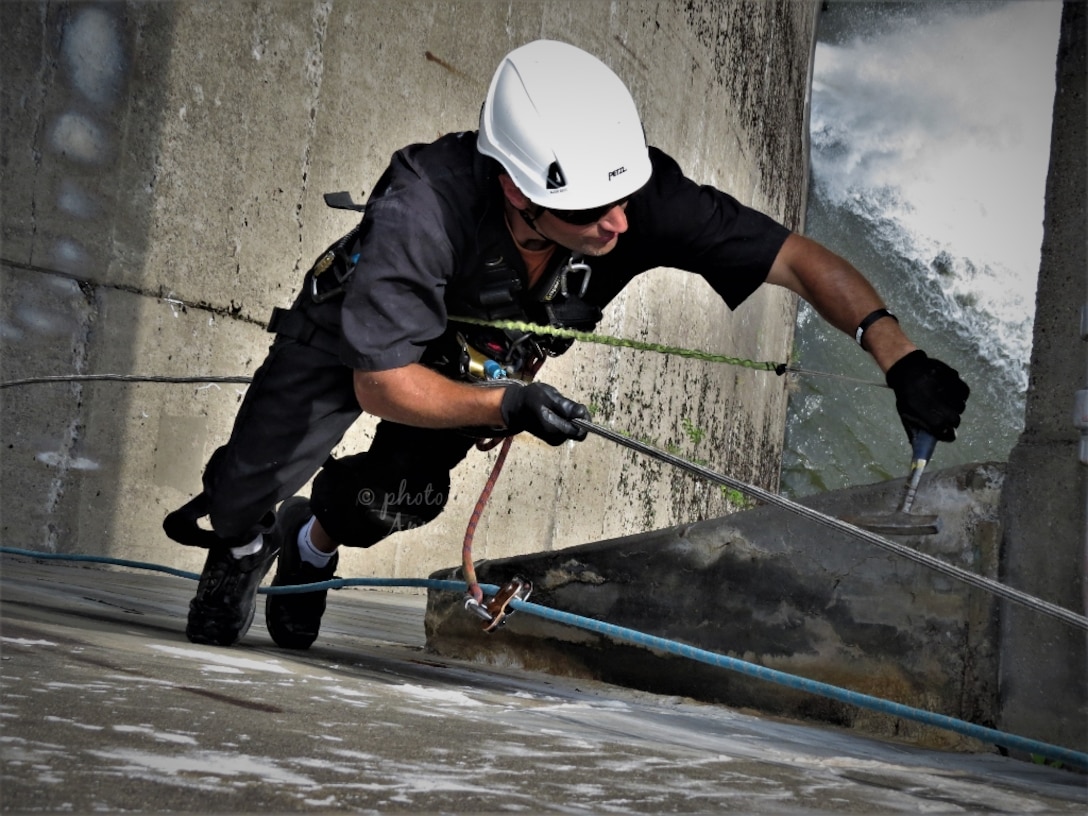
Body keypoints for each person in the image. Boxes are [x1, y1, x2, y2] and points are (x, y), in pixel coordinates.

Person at [164, 39, 969, 649]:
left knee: (402, 496)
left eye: (623, 202)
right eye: (591, 214)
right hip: (357, 339)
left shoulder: (630, 196)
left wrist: (897, 354)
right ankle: (242, 543)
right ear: (517, 190)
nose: (618, 227)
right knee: (243, 485)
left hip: (470, 363)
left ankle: (315, 537)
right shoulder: (424, 205)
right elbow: (382, 383)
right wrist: (508, 403)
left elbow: (795, 258)